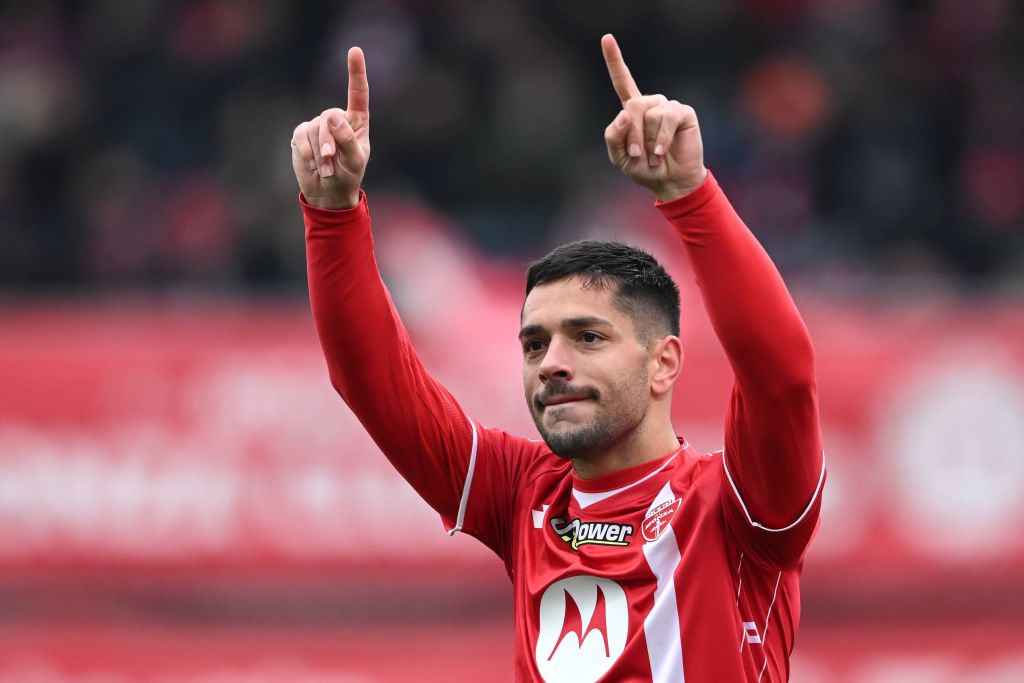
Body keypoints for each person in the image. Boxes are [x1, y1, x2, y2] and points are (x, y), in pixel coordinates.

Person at [290, 34, 825, 683]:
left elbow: (781, 375)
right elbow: (373, 383)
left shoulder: (740, 507)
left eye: (588, 337)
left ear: (663, 363)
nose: (551, 363)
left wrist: (690, 193)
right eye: (535, 343)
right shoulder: (523, 493)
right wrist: (333, 215)